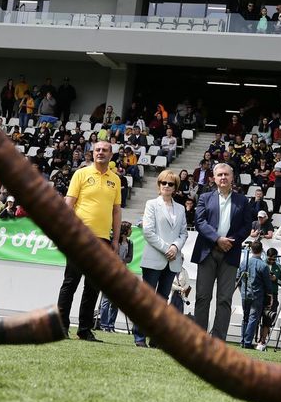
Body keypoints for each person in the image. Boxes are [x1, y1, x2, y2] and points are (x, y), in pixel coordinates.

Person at [57, 140, 122, 341]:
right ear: (92, 153)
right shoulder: (81, 173)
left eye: (104, 150)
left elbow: (116, 210)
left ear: (111, 155)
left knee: (93, 286)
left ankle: (84, 329)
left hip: (102, 240)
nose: (100, 153)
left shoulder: (116, 180)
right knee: (70, 283)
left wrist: (116, 240)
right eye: (97, 150)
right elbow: (69, 203)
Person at [190, 162, 254, 341]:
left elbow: (247, 226)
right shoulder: (205, 197)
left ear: (232, 177)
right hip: (207, 251)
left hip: (230, 253)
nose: (223, 178)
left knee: (225, 300)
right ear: (214, 178)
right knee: (203, 297)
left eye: (226, 174)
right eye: (220, 175)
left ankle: (218, 340)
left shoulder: (243, 200)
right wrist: (217, 239)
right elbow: (199, 222)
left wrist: (230, 242)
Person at [138, 169, 188, 348]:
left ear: (175, 187)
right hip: (154, 258)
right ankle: (140, 336)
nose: (167, 186)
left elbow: (183, 233)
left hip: (172, 261)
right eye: (163, 183)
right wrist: (168, 248)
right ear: (158, 185)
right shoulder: (151, 204)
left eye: (171, 184)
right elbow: (148, 231)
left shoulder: (181, 208)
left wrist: (175, 247)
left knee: (162, 300)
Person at [238, 240, 271, 349]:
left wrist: (241, 290)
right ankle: (247, 341)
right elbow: (267, 284)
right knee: (253, 318)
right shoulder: (264, 265)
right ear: (261, 250)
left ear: (251, 250)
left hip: (244, 294)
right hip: (257, 295)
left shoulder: (244, 262)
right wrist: (269, 295)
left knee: (245, 317)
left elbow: (238, 278)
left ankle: (242, 340)